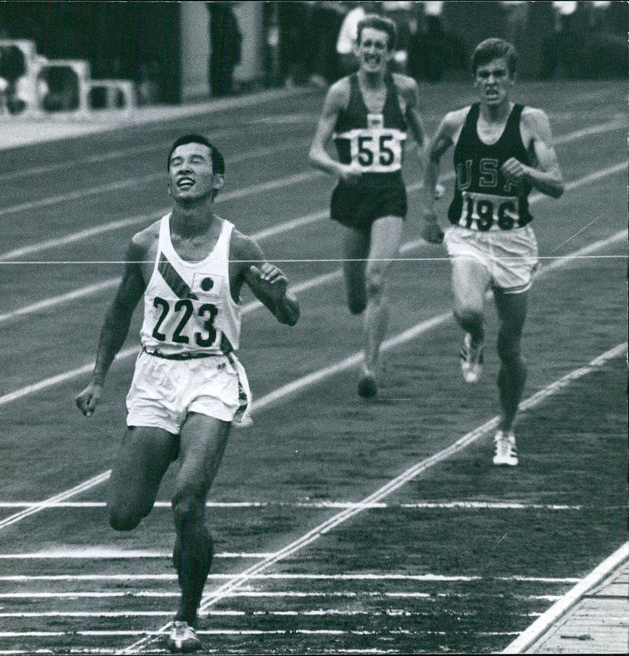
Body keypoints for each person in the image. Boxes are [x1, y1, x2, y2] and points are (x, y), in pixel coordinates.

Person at [75, 134, 300, 652]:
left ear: (217, 180)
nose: (184, 168)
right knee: (123, 514)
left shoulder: (240, 248)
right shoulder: (144, 244)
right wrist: (97, 378)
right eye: (176, 162)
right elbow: (119, 311)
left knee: (187, 499)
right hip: (155, 379)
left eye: (196, 161)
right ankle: (187, 542)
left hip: (210, 379)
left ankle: (186, 616)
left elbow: (288, 315)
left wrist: (284, 293)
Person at [421, 38, 564, 466]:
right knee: (468, 309)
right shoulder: (455, 121)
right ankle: (472, 335)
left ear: (512, 79)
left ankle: (506, 429)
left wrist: (530, 172)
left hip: (514, 243)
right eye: (483, 75)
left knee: (512, 349)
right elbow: (430, 157)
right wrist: (429, 210)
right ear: (474, 80)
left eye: (499, 74)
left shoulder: (530, 121)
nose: (491, 82)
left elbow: (557, 183)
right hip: (468, 236)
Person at [309, 14, 434, 398]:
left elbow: (420, 139)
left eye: (381, 45)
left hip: (389, 196)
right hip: (352, 196)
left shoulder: (405, 90)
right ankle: (367, 330)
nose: (373, 52)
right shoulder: (341, 93)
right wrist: (338, 167)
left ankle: (369, 368)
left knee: (376, 278)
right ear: (357, 48)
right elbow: (314, 151)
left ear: (389, 52)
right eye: (368, 44)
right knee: (355, 298)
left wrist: (430, 184)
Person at [207, 2, 243, 97]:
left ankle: (223, 86)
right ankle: (222, 87)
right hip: (223, 24)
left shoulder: (224, 13)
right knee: (223, 56)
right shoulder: (221, 13)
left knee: (226, 56)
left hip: (224, 23)